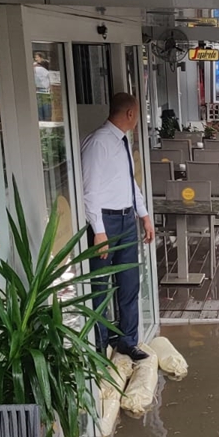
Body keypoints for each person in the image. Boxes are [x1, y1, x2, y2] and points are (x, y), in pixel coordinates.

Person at [82, 92, 154, 361]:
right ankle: (100, 346)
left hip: (126, 220)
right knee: (100, 286)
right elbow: (89, 191)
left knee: (128, 284)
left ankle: (128, 341)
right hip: (106, 222)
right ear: (130, 114)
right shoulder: (98, 143)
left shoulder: (123, 141)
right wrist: (99, 230)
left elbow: (129, 182)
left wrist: (143, 214)